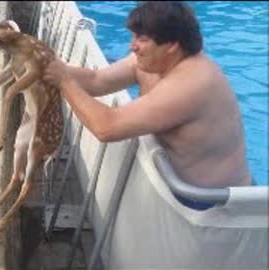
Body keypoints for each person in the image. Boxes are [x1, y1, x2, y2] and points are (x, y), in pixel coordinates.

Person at [42, 1, 253, 209]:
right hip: (189, 197)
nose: (132, 46)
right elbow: (97, 80)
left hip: (217, 208)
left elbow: (107, 127)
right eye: (134, 37)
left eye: (141, 39)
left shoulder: (190, 83)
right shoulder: (151, 60)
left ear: (172, 45)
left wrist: (64, 81)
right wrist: (44, 67)